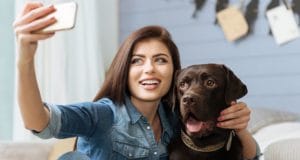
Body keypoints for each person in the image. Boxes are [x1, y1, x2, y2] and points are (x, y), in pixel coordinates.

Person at [13, 2, 260, 160]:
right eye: (137, 61)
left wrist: (240, 127)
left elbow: (251, 156)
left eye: (161, 60)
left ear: (174, 72)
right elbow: (40, 122)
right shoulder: (102, 115)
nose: (149, 69)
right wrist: (25, 58)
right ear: (124, 69)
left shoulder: (178, 119)